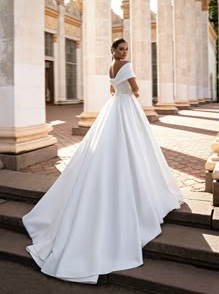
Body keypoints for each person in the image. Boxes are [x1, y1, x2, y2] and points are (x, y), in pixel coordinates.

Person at [22, 38, 183, 284]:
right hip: (126, 109)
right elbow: (135, 89)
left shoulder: (110, 66)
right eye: (121, 49)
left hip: (113, 108)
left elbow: (112, 89)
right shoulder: (126, 65)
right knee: (134, 146)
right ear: (114, 50)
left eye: (126, 49)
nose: (124, 52)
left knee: (111, 146)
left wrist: (121, 89)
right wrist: (134, 91)